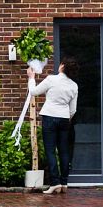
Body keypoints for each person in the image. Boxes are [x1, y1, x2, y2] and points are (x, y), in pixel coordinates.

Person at [29, 60, 79, 193]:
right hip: (64, 119)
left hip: (49, 117)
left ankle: (55, 183)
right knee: (63, 151)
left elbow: (34, 91)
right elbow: (73, 110)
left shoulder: (51, 79)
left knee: (50, 150)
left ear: (62, 66)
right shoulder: (74, 85)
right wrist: (65, 117)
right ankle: (64, 182)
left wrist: (31, 78)